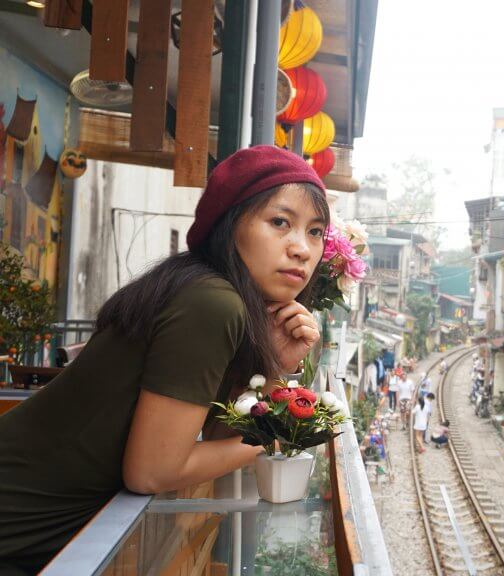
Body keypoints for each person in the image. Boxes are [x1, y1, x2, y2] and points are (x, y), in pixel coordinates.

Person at [0, 146, 327, 573]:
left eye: (316, 231)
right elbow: (152, 472)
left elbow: (211, 442)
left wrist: (272, 370)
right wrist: (275, 436)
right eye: (280, 222)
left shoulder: (206, 292)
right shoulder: (212, 303)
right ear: (230, 227)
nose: (302, 248)